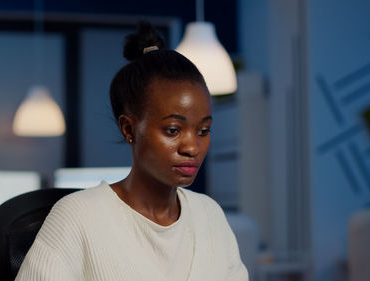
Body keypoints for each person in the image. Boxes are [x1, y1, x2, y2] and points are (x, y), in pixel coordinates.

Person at [15, 22, 248, 281]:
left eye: (203, 131)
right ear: (129, 129)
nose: (192, 147)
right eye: (172, 130)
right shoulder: (78, 217)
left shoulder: (210, 215)